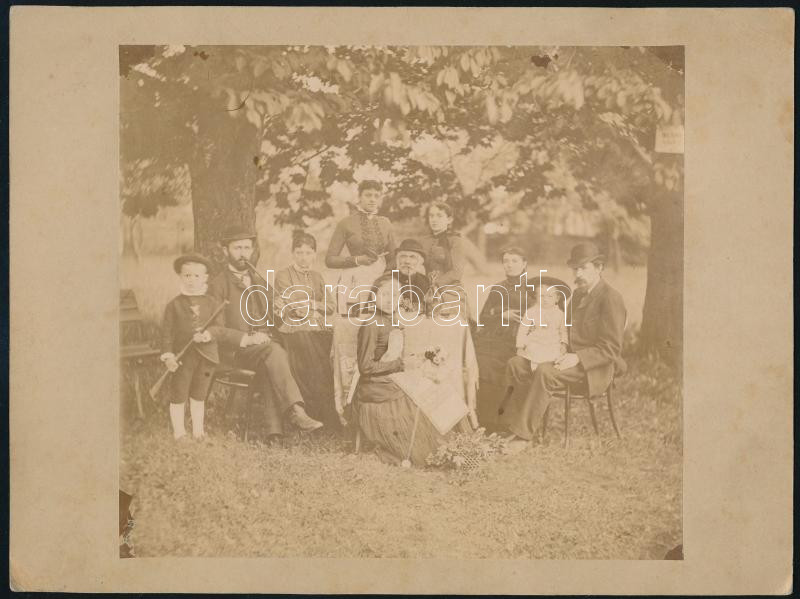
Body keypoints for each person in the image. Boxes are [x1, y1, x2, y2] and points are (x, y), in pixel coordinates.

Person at [499, 242, 627, 451]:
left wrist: (577, 357)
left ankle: (523, 436)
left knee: (545, 371)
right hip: (564, 357)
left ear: (599, 267)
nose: (578, 274)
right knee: (516, 364)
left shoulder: (610, 298)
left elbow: (611, 348)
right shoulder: (578, 295)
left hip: (593, 368)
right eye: (575, 269)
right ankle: (512, 426)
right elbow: (563, 329)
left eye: (583, 268)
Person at [207, 226, 323, 437]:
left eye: (246, 248)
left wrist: (284, 310)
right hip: (236, 352)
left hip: (264, 349)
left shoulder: (258, 280)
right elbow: (216, 329)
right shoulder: (218, 285)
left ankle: (274, 434)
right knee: (274, 352)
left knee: (277, 356)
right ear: (225, 251)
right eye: (237, 248)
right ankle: (296, 411)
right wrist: (246, 338)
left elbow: (275, 317)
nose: (243, 253)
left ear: (252, 250)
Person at [353, 274, 469, 466]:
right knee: (423, 396)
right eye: (385, 295)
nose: (390, 300)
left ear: (401, 298)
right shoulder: (371, 324)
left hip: (389, 378)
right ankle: (438, 449)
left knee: (436, 387)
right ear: (374, 297)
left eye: (395, 295)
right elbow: (365, 367)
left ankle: (458, 446)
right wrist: (400, 365)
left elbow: (393, 355)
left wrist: (418, 357)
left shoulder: (392, 320)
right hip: (375, 386)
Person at [326, 180, 397, 418]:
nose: (372, 199)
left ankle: (376, 402)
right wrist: (356, 260)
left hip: (380, 282)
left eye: (376, 195)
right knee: (352, 334)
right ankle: (346, 402)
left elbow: (394, 258)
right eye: (368, 195)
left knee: (377, 335)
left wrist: (385, 280)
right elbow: (330, 259)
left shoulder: (385, 223)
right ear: (360, 197)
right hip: (353, 281)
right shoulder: (347, 223)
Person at [273, 231, 339, 429]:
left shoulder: (317, 277)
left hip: (315, 328)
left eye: (308, 253)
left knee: (329, 351)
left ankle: (327, 414)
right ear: (293, 254)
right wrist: (308, 306)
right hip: (292, 329)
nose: (304, 258)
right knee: (309, 352)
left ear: (314, 255)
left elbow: (331, 306)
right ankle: (312, 414)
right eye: (299, 253)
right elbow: (291, 302)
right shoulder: (283, 275)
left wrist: (312, 304)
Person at [159, 253, 224, 441]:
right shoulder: (174, 305)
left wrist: (207, 334)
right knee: (179, 392)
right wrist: (168, 355)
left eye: (197, 276)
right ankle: (179, 432)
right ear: (180, 276)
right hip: (183, 358)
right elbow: (166, 333)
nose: (191, 280)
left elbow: (220, 327)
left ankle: (198, 431)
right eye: (187, 275)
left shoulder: (212, 303)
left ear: (205, 278)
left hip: (206, 357)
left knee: (199, 394)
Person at [515, 285, 569, 372]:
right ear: (536, 297)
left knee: (552, 360)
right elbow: (522, 330)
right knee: (532, 357)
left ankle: (543, 370)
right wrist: (520, 347)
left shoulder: (560, 314)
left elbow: (563, 331)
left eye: (550, 296)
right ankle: (534, 370)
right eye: (541, 296)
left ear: (557, 299)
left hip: (553, 344)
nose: (545, 299)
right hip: (536, 342)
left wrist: (564, 344)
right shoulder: (531, 312)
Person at [419, 201, 467, 289]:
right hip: (424, 287)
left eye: (439, 216)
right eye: (431, 216)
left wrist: (436, 284)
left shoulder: (455, 241)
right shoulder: (423, 241)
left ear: (449, 220)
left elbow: (457, 272)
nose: (434, 219)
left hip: (449, 288)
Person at [393, 238, 430, 316]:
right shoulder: (388, 280)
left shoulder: (425, 281)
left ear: (419, 261)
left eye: (412, 257)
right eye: (403, 256)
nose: (407, 261)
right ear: (398, 260)